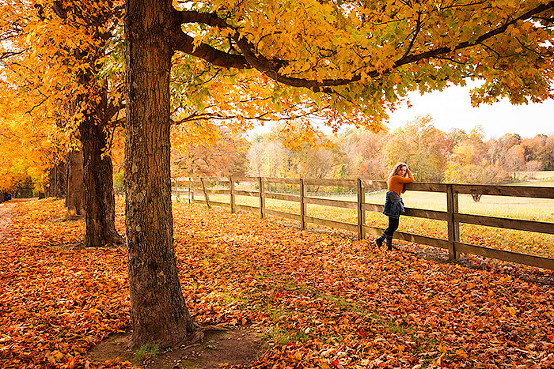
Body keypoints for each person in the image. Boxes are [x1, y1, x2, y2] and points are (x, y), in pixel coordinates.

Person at [374, 162, 414, 250]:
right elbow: (411, 179)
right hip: (393, 201)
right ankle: (380, 239)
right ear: (397, 170)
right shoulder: (396, 178)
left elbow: (401, 191)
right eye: (402, 170)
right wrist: (408, 170)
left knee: (392, 225)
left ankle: (388, 245)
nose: (403, 172)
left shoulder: (397, 179)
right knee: (393, 226)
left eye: (404, 171)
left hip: (393, 200)